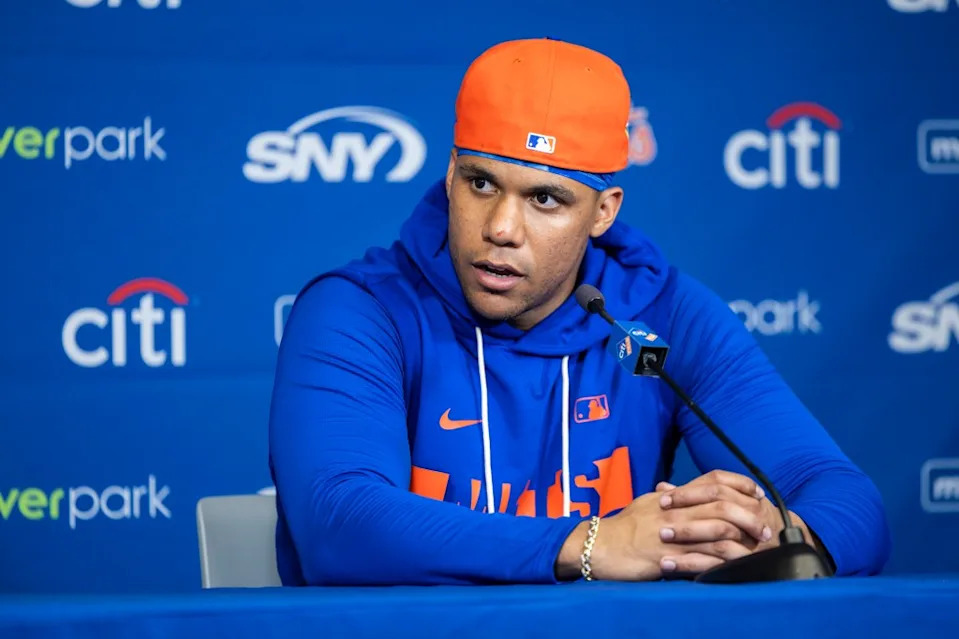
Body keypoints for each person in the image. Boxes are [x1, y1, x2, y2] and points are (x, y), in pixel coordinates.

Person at [268, 38, 890, 585]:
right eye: (482, 184)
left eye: (545, 198)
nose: (501, 228)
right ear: (451, 174)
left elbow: (844, 500)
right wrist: (594, 544)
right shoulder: (360, 310)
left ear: (603, 211)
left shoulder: (663, 318)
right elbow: (338, 523)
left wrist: (769, 541)